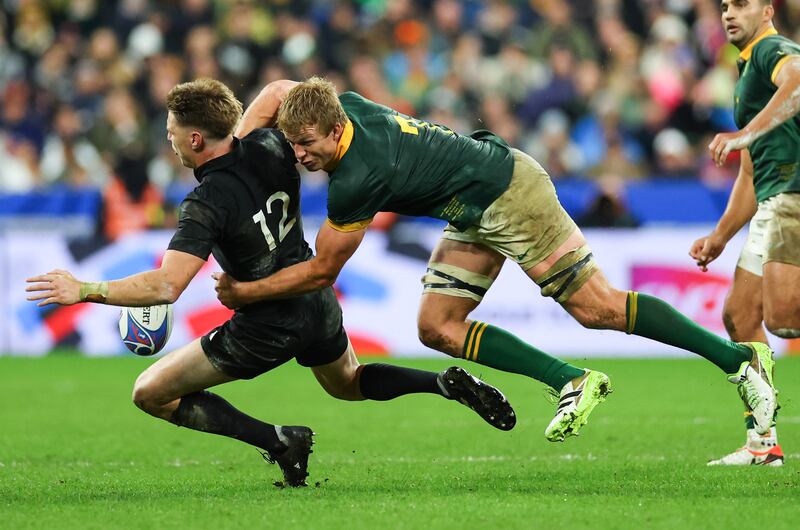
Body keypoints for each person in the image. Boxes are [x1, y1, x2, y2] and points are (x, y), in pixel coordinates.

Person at [213, 76, 778, 449]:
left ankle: (737, 361)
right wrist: (237, 154)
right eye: (294, 145)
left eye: (308, 144)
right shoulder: (341, 108)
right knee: (436, 327)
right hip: (472, 204)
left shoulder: (358, 179)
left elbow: (320, 273)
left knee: (597, 309)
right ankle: (574, 380)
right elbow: (279, 89)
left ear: (335, 131)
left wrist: (244, 294)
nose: (301, 156)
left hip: (510, 193)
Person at [25, 79, 516, 488]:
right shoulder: (271, 145)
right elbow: (282, 89)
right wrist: (237, 136)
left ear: (196, 140)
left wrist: (85, 290)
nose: (169, 139)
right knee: (347, 382)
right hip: (314, 296)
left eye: (174, 132)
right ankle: (441, 383)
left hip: (264, 321)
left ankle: (278, 441)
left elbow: (166, 286)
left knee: (149, 392)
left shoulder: (205, 203)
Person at [689, 0, 800, 467]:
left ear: (768, 9)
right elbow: (750, 177)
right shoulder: (746, 70)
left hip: (794, 195)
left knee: (784, 320)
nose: (730, 13)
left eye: (742, 4)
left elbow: (799, 81)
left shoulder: (773, 49)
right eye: (725, 6)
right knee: (739, 316)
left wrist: (744, 132)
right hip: (772, 200)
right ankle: (763, 442)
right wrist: (719, 236)